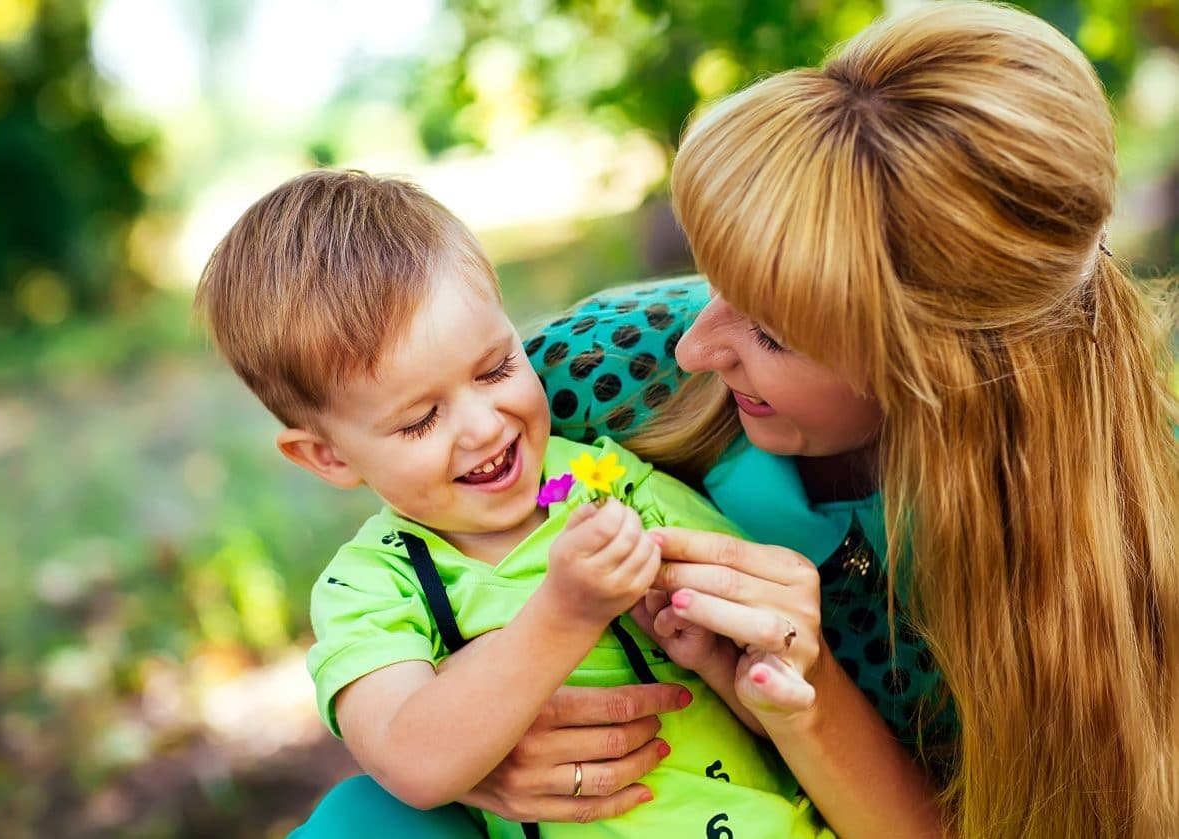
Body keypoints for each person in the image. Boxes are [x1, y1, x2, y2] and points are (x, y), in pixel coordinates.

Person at [291, 2, 1179, 837]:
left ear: (932, 370)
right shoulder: (595, 370)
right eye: (716, 277)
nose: (694, 346)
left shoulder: (1125, 543)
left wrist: (805, 692)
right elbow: (412, 527)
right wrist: (476, 751)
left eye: (770, 330)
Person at [195, 168, 837, 838]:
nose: (484, 425)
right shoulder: (372, 587)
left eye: (496, 368)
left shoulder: (608, 477)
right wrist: (564, 612)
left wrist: (744, 664)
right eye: (420, 419)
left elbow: (772, 642)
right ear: (327, 455)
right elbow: (410, 760)